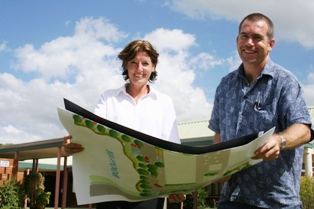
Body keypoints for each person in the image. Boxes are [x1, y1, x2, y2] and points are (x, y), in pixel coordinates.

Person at [64, 40, 186, 209]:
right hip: (111, 188)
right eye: (134, 63)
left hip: (150, 190)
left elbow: (172, 148)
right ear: (126, 65)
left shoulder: (164, 102)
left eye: (145, 63)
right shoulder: (108, 98)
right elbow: (91, 134)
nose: (139, 69)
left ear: (153, 67)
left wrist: (177, 185)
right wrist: (74, 143)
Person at [209, 13, 313, 209]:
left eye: (257, 37)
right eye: (244, 36)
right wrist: (220, 165)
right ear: (237, 40)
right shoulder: (225, 85)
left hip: (276, 201)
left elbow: (304, 129)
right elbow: (218, 133)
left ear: (271, 44)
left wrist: (279, 140)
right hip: (232, 198)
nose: (249, 43)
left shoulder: (285, 82)